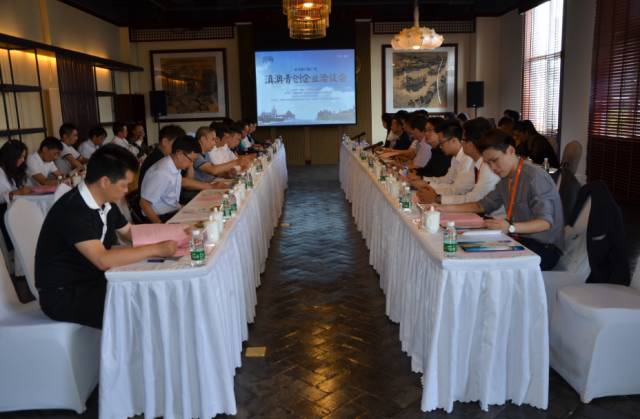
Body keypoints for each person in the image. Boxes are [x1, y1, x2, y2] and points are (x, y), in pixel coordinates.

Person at [35, 144, 177, 329]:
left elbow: (131, 233)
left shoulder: (106, 203)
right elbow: (103, 259)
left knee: (152, 292)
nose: (126, 191)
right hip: (65, 293)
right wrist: (157, 249)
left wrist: (176, 233)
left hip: (94, 280)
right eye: (124, 185)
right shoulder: (74, 210)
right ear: (105, 182)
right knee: (140, 308)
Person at [437, 129, 564, 270]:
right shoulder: (505, 178)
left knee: (481, 262)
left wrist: (510, 227)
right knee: (465, 248)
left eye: (495, 160)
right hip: (519, 239)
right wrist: (443, 208)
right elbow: (482, 205)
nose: (493, 168)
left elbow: (545, 223)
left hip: (544, 248)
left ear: (510, 151)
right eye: (488, 163)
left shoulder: (535, 177)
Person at [417, 118, 499, 205]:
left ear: (471, 144)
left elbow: (465, 194)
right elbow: (448, 180)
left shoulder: (478, 163)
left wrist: (436, 197)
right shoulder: (470, 161)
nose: (461, 143)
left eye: (463, 139)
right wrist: (426, 185)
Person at [140, 135, 200, 223]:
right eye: (191, 160)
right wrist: (161, 226)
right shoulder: (161, 172)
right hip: (160, 217)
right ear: (179, 154)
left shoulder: (175, 166)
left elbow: (171, 200)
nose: (191, 164)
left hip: (173, 210)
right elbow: (144, 204)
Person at [421, 120, 474, 197]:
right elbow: (446, 180)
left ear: (454, 141)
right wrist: (425, 181)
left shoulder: (467, 159)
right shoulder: (455, 157)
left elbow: (457, 190)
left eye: (442, 143)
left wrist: (428, 188)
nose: (440, 146)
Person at [0, 140, 31, 250]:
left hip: (13, 209)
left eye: (24, 157)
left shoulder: (12, 170)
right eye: (20, 157)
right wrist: (15, 193)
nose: (23, 160)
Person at [138, 124, 185, 189]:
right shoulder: (156, 160)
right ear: (165, 142)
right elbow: (181, 181)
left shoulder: (164, 156)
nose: (180, 148)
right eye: (177, 144)